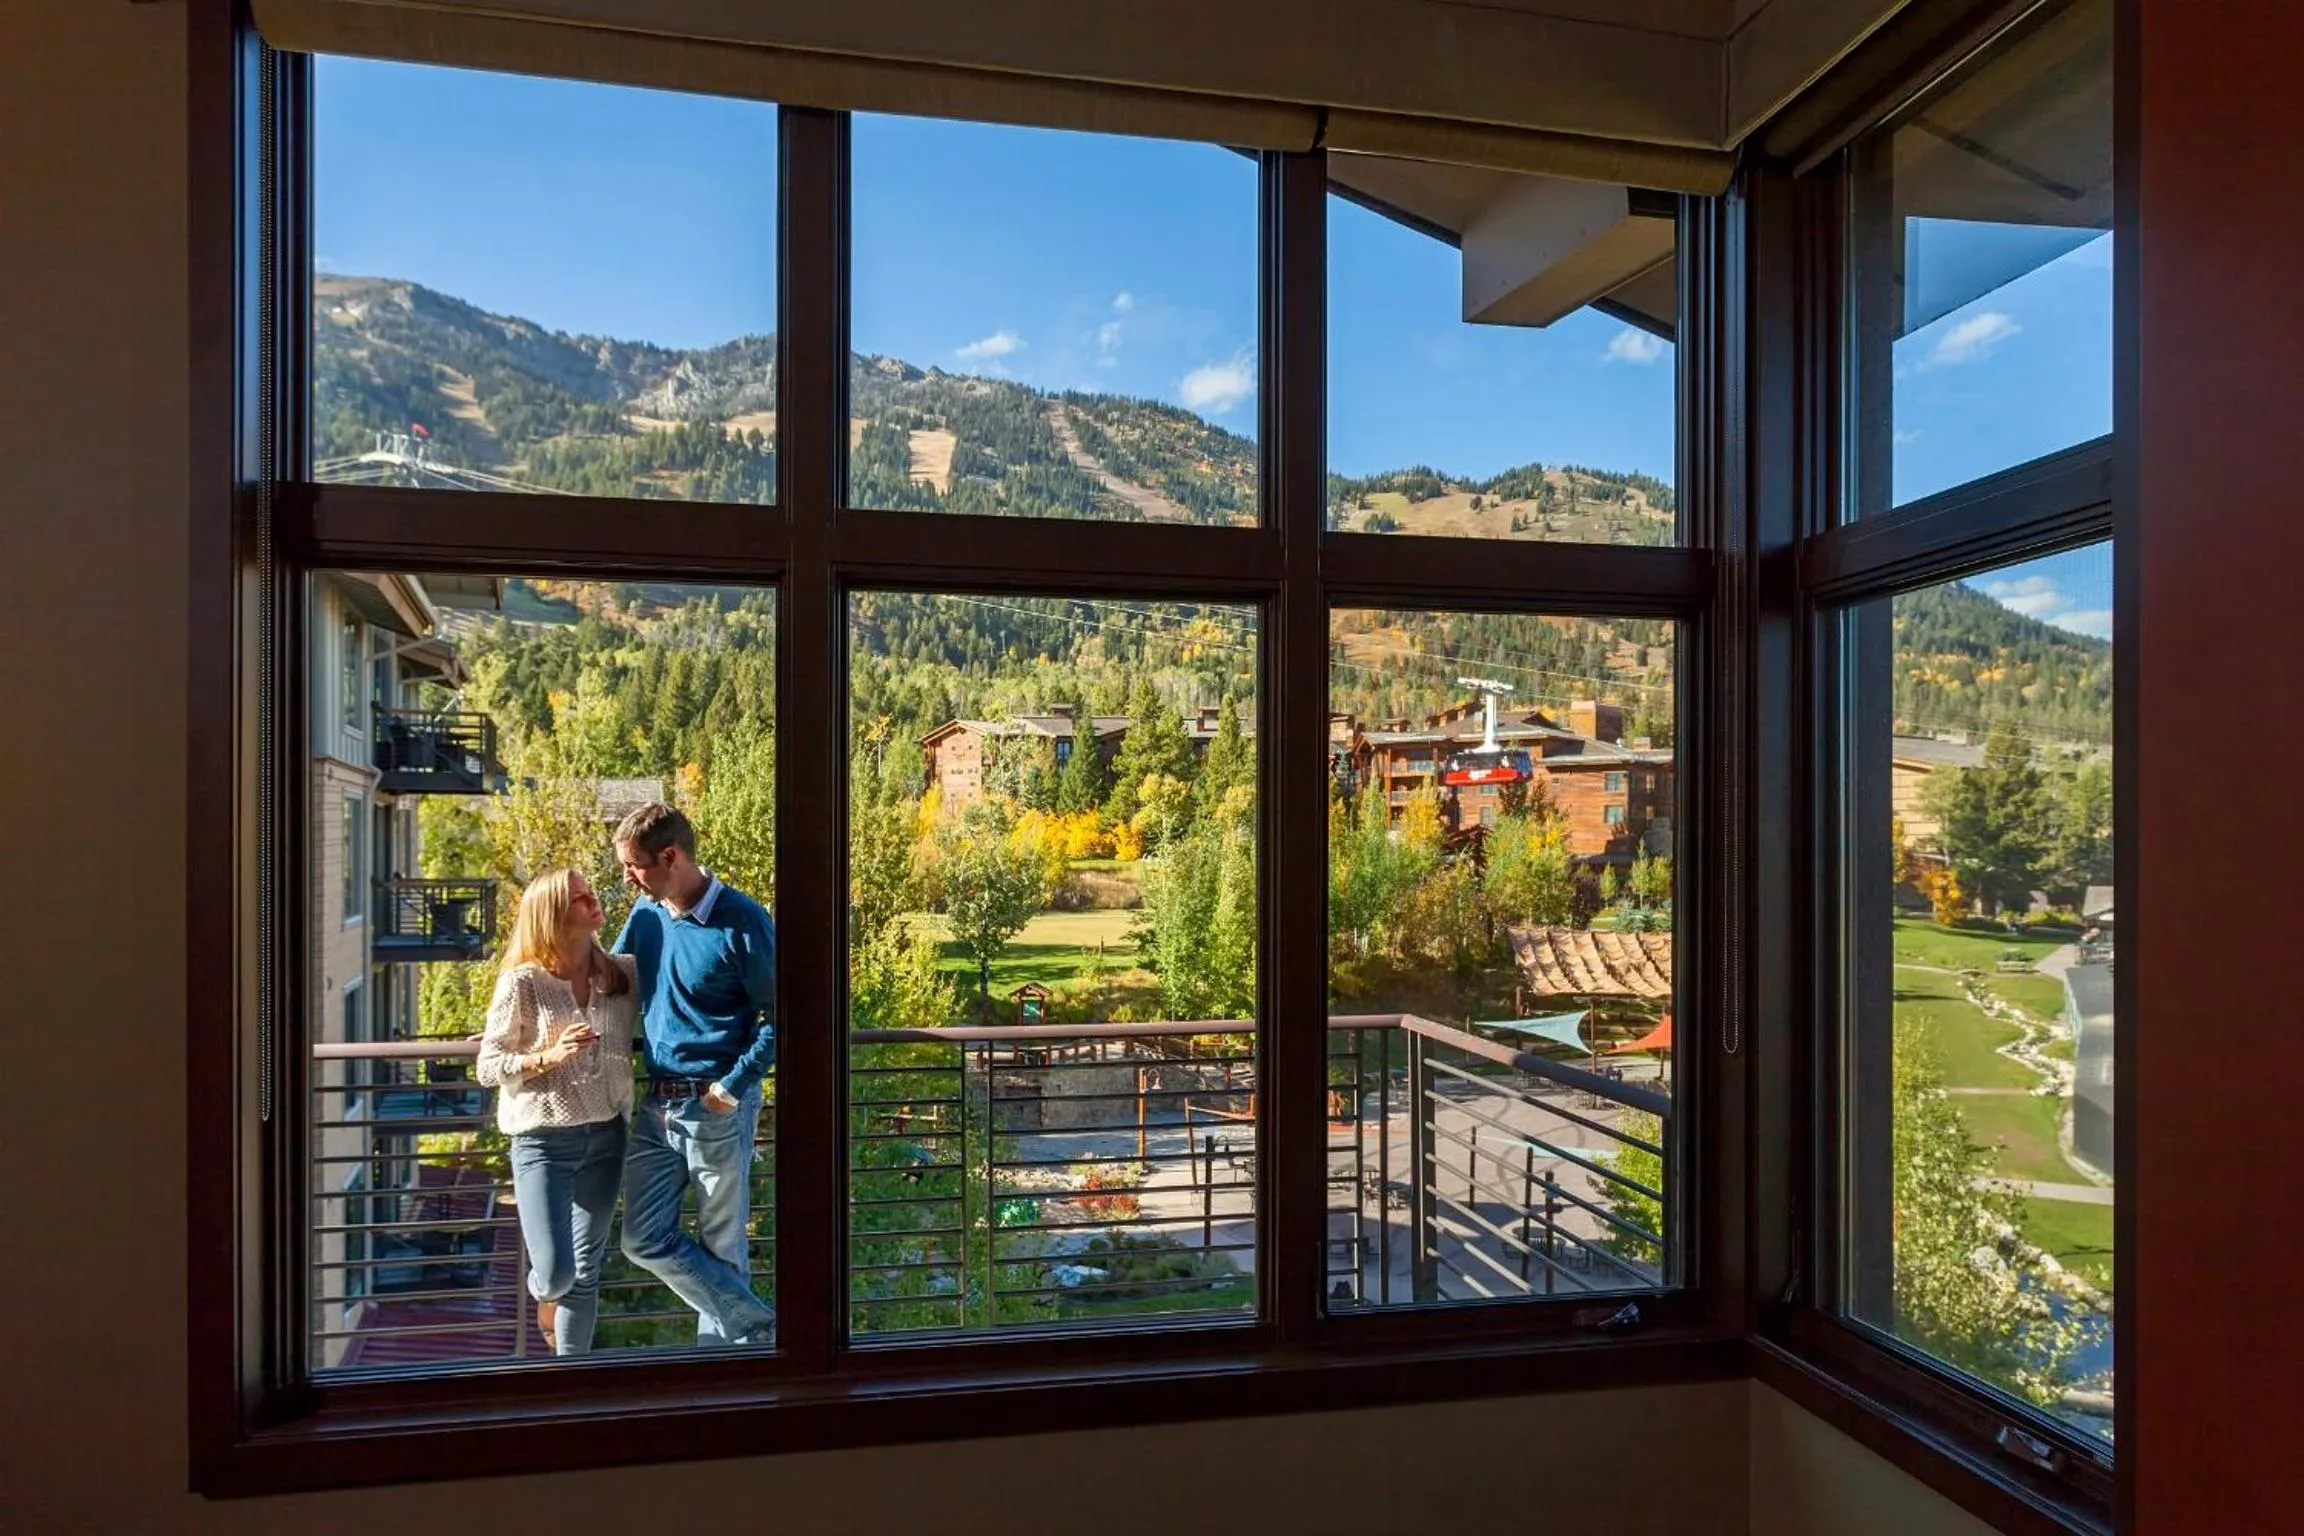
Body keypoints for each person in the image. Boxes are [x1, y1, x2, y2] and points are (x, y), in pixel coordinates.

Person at [611, 802, 778, 1346]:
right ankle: (756, 1329)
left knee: (722, 1247)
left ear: (670, 856)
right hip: (657, 1105)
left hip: (715, 1106)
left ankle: (729, 1374)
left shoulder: (743, 920)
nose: (628, 878)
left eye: (634, 866)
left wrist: (732, 1087)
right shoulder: (647, 915)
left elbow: (784, 1018)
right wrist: (515, 1025)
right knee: (641, 1239)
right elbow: (603, 987)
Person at [474, 869, 636, 1356]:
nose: (593, 900)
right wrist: (545, 1056)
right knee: (558, 1273)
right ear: (553, 915)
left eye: (590, 892)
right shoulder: (523, 981)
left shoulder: (622, 972)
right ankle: (543, 1293)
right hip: (542, 1142)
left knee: (586, 1272)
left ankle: (573, 1380)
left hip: (608, 1136)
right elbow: (488, 1067)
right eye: (580, 897)